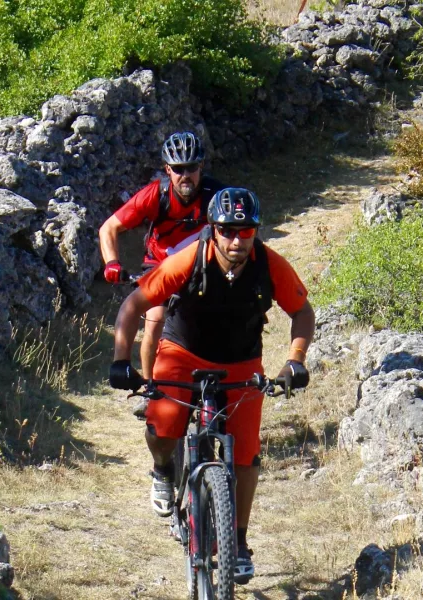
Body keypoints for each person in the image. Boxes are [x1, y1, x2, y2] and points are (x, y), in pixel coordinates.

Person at [109, 188, 315, 583]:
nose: (237, 240)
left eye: (246, 231)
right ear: (213, 229)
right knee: (163, 424)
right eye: (227, 230)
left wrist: (296, 361)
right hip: (184, 351)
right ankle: (163, 470)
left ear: (256, 231)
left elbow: (302, 311)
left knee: (246, 452)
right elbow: (133, 305)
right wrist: (122, 361)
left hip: (241, 360)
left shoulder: (270, 265)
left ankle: (237, 542)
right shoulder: (189, 260)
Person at [99, 131, 223, 378]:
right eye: (178, 169)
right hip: (158, 266)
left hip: (202, 266)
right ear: (167, 169)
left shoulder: (216, 197)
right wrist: (112, 263)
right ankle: (149, 388)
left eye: (191, 167)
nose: (185, 175)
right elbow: (109, 227)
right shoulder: (156, 195)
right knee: (155, 319)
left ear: (201, 166)